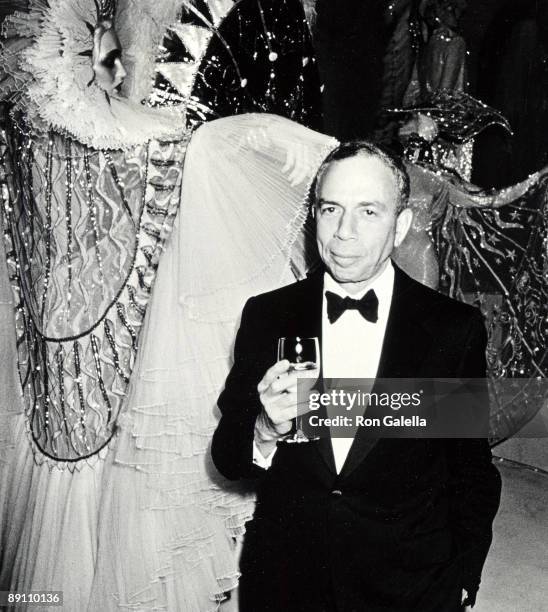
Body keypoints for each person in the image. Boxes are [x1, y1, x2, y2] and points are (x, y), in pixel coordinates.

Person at [212, 141, 502, 612]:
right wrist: (264, 429)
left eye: (368, 211)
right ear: (314, 216)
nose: (344, 232)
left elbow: (470, 474)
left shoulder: (451, 331)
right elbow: (227, 459)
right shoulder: (268, 315)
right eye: (332, 209)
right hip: (286, 582)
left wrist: (463, 579)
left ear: (401, 225)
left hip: (408, 587)